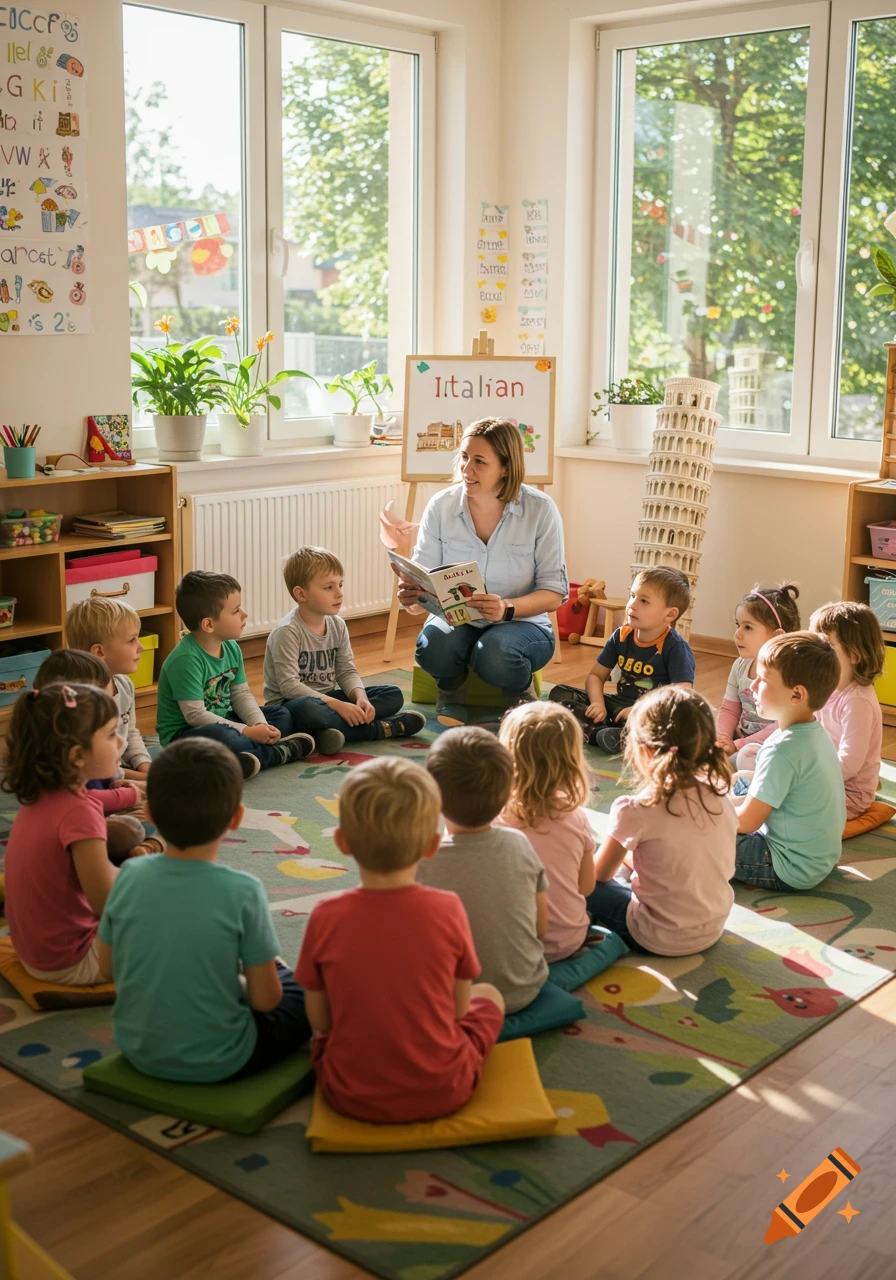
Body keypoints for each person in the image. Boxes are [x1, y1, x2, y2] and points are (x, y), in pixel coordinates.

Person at [295, 756, 505, 1123]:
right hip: (445, 1088)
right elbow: (457, 1011)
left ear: (341, 842)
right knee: (489, 997)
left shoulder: (325, 915)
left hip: (347, 1092)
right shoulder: (448, 908)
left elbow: (321, 1020)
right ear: (432, 845)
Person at [96, 738, 310, 1081]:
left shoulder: (129, 875)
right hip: (223, 1057)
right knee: (302, 994)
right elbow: (267, 1000)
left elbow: (107, 969)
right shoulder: (243, 890)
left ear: (149, 814)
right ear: (237, 818)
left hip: (138, 1048)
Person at [396, 417, 568, 710]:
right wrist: (411, 598)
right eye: (464, 457)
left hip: (522, 623)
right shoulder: (441, 506)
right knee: (432, 648)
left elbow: (553, 593)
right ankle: (451, 689)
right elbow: (422, 576)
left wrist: (506, 608)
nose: (466, 468)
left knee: (496, 653)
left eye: (479, 461)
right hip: (457, 620)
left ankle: (519, 694)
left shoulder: (540, 510)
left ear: (506, 468)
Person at [587, 686, 736, 955]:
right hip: (713, 925)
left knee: (585, 883)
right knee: (631, 861)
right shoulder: (720, 793)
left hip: (657, 935)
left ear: (644, 750)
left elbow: (598, 875)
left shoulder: (636, 808)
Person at [420, 726, 549, 1012]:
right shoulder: (519, 843)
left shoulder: (421, 860)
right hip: (526, 986)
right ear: (507, 794)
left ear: (432, 795)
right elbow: (541, 927)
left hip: (452, 999)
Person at [2, 681, 123, 985]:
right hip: (72, 960)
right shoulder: (79, 812)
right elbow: (106, 902)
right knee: (180, 919)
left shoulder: (40, 794)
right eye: (111, 734)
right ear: (76, 757)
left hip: (36, 952)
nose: (121, 741)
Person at [262, 544, 424, 753]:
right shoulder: (287, 632)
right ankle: (380, 729)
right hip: (292, 705)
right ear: (301, 594)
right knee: (310, 710)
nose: (339, 593)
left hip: (328, 699)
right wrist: (338, 706)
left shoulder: (337, 625)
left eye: (340, 584)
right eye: (329, 587)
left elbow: (346, 670)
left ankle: (327, 732)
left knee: (392, 694)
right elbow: (289, 687)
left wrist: (360, 698)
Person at [156, 570, 314, 779]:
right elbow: (195, 716)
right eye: (236, 610)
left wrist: (259, 724)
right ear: (209, 624)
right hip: (186, 734)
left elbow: (241, 695)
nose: (245, 614)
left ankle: (244, 757)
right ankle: (276, 753)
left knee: (281, 716)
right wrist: (246, 731)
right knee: (226, 737)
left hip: (225, 719)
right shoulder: (186, 659)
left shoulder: (231, 648)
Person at [732, 632, 845, 891]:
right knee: (740, 788)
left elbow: (748, 823)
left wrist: (707, 813)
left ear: (796, 695)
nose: (752, 687)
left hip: (787, 865)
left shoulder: (783, 749)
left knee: (697, 834)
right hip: (817, 858)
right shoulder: (815, 733)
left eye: (762, 680)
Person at [34, 649, 162, 862]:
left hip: (103, 815)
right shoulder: (66, 769)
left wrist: (148, 785)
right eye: (111, 734)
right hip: (96, 825)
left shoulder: (90, 755)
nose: (120, 741)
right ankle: (150, 846)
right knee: (150, 823)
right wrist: (131, 794)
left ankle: (148, 846)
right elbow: (86, 801)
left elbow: (115, 780)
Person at [550, 566, 695, 753]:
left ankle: (606, 734)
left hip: (652, 714)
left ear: (670, 614)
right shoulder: (621, 636)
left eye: (644, 601)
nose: (632, 605)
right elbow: (596, 675)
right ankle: (605, 733)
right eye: (632, 596)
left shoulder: (675, 647)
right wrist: (598, 703)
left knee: (671, 726)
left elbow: (681, 695)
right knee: (560, 693)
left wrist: (639, 711)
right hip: (617, 708)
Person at [497, 701, 597, 962]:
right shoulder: (576, 817)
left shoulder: (494, 819)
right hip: (568, 941)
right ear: (572, 761)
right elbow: (586, 887)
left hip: (510, 949)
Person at [809, 601, 885, 822]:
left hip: (849, 795)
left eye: (827, 646)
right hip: (825, 778)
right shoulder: (827, 687)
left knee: (784, 803)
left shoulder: (857, 702)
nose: (817, 654)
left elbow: (850, 764)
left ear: (854, 654)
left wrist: (807, 777)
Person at [66, 596, 154, 779]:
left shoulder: (124, 685)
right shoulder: (82, 699)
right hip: (92, 772)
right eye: (132, 640)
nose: (141, 647)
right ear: (99, 652)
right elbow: (92, 765)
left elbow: (130, 732)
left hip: (116, 764)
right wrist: (146, 780)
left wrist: (145, 765)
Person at [716, 583, 801, 770]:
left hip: (775, 747)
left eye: (748, 628)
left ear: (776, 636)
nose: (737, 634)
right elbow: (730, 709)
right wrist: (722, 738)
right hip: (741, 740)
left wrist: (738, 746)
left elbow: (783, 725)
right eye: (738, 625)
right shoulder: (740, 665)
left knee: (737, 763)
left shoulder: (789, 675)